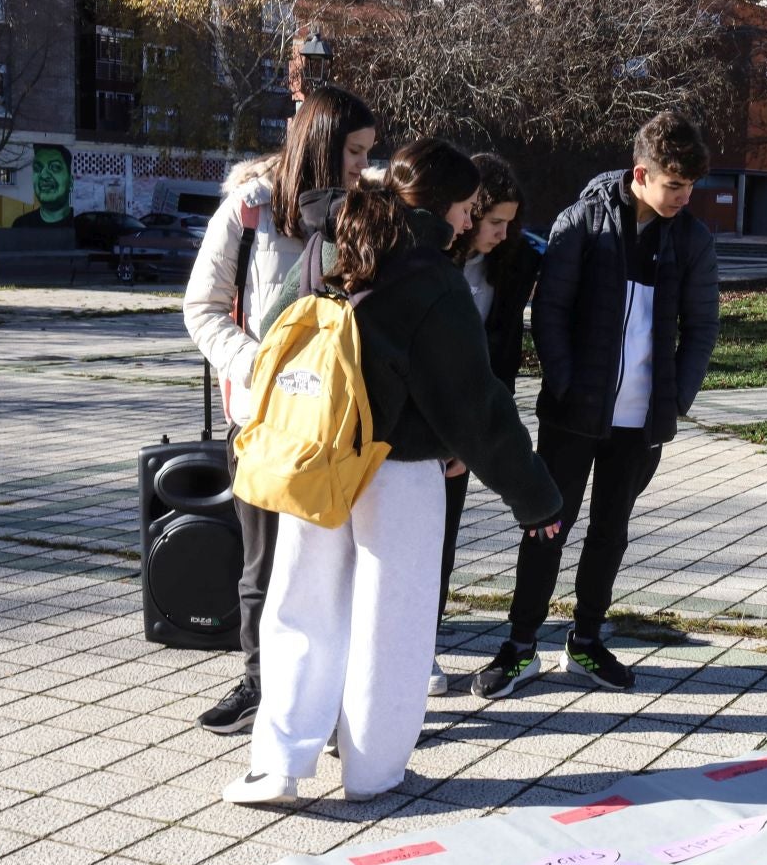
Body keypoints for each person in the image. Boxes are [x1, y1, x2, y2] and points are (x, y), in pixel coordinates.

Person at [222, 139, 562, 804]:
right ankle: (374, 772)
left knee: (300, 608)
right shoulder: (432, 278)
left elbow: (275, 330)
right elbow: (476, 407)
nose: (468, 223)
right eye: (466, 209)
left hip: (315, 457)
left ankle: (278, 764)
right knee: (394, 625)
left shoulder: (332, 244)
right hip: (397, 473)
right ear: (443, 206)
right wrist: (538, 500)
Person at [470, 111, 720, 700]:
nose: (684, 198)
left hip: (641, 423)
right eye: (674, 186)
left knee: (611, 532)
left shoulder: (692, 240)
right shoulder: (581, 222)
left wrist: (676, 399)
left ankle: (585, 642)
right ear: (642, 174)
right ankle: (520, 645)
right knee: (546, 527)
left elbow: (701, 326)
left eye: (690, 188)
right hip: (573, 416)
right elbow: (549, 312)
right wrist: (564, 384)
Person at [183, 86, 377, 735]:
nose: (360, 163)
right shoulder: (251, 209)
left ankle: (329, 698)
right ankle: (259, 684)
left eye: (368, 152)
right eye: (353, 151)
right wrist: (258, 372)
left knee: (335, 568)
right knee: (262, 566)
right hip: (264, 423)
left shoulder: (364, 209)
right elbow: (203, 308)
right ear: (320, 143)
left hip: (339, 426)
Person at [432, 153, 539, 696]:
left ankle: (425, 638)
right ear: (468, 213)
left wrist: (474, 440)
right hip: (412, 422)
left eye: (510, 223)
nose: (503, 233)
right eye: (495, 221)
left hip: (465, 425)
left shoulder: (512, 262)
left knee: (444, 537)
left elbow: (504, 352)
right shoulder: (429, 256)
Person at [12, 145, 72, 228]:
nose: (43, 175)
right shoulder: (21, 225)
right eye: (37, 168)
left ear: (71, 181)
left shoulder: (82, 226)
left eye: (55, 167)